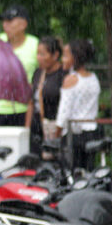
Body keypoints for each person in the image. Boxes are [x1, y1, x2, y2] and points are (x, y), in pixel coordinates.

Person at [54, 40, 101, 171]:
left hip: (74, 134)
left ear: (75, 58)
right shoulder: (94, 78)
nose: (62, 60)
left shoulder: (71, 80)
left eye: (65, 56)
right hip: (91, 132)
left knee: (71, 171)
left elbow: (64, 113)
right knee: (88, 169)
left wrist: (56, 133)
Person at [0, 5, 39, 127]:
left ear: (23, 24)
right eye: (4, 22)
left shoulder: (35, 45)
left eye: (9, 21)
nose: (5, 25)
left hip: (24, 108)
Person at [26, 37, 65, 153]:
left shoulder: (63, 75)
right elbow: (31, 102)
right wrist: (27, 128)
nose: (39, 58)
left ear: (55, 55)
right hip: (37, 124)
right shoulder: (38, 73)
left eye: (43, 54)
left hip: (53, 125)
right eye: (38, 54)